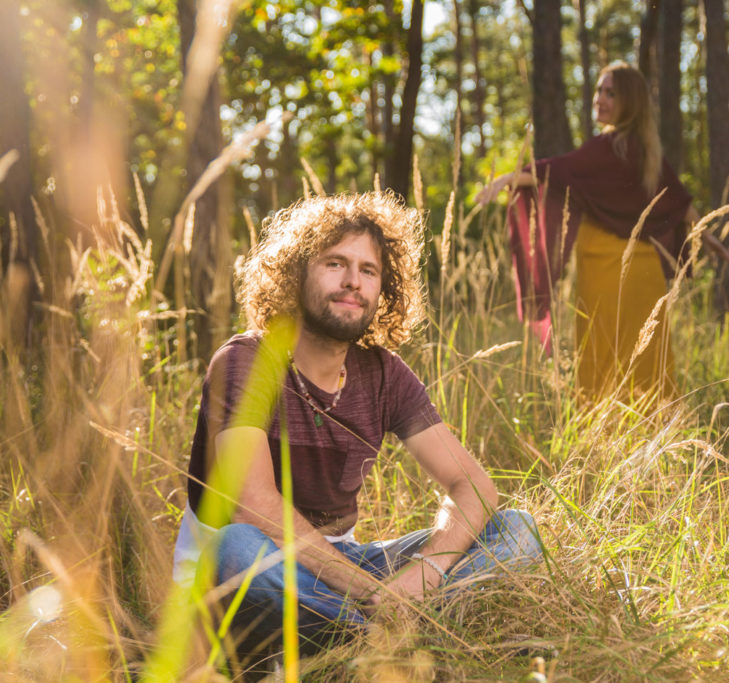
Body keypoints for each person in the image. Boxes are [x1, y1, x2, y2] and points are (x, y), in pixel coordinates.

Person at [171, 191, 541, 660]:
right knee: (237, 548)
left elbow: (475, 486)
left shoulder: (384, 375)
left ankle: (362, 638)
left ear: (383, 290)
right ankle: (404, 636)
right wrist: (371, 592)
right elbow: (253, 507)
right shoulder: (246, 361)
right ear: (296, 273)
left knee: (516, 531)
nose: (353, 282)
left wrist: (422, 575)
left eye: (368, 271)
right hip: (255, 569)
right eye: (335, 264)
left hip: (337, 572)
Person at [478, 61, 729, 403]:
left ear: (631, 101)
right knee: (645, 352)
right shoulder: (645, 150)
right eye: (599, 90)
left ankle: (605, 432)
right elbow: (681, 204)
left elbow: (556, 173)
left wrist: (508, 179)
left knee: (603, 349)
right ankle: (653, 430)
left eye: (611, 93)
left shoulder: (613, 146)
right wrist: (705, 234)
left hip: (609, 271)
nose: (600, 98)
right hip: (642, 273)